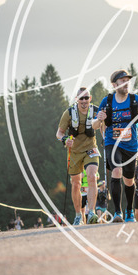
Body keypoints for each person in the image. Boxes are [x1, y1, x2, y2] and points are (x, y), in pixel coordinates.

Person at [94, 69, 138, 223]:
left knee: (129, 180)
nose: (126, 84)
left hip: (131, 146)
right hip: (112, 142)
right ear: (114, 85)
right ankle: (117, 212)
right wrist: (99, 119)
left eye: (128, 81)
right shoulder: (107, 101)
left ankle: (129, 211)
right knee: (116, 171)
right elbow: (94, 125)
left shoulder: (135, 100)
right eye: (122, 81)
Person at [56, 87, 101, 226]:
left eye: (86, 98)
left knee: (92, 176)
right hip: (75, 151)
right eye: (81, 98)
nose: (84, 101)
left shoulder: (96, 111)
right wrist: (65, 140)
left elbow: (104, 126)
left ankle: (91, 212)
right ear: (77, 99)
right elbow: (59, 133)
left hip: (90, 149)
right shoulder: (69, 113)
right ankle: (78, 216)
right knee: (76, 183)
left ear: (90, 98)